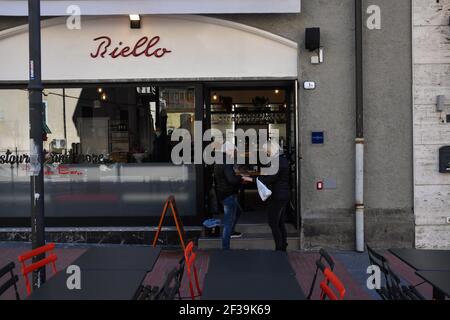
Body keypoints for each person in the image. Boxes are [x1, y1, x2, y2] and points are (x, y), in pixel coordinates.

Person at [244, 141, 290, 251]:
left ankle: (279, 248)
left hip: (277, 196)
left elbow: (271, 178)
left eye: (266, 150)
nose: (265, 152)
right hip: (283, 194)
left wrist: (252, 179)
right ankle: (283, 245)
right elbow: (274, 176)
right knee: (280, 222)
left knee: (273, 223)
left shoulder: (277, 160)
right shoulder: (281, 159)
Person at [214, 142, 245, 250]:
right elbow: (231, 179)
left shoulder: (219, 160)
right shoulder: (226, 162)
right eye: (233, 151)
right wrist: (241, 179)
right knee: (227, 222)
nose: (234, 153)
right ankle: (225, 248)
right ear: (228, 150)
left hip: (223, 193)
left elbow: (225, 176)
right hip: (228, 194)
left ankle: (231, 231)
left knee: (238, 212)